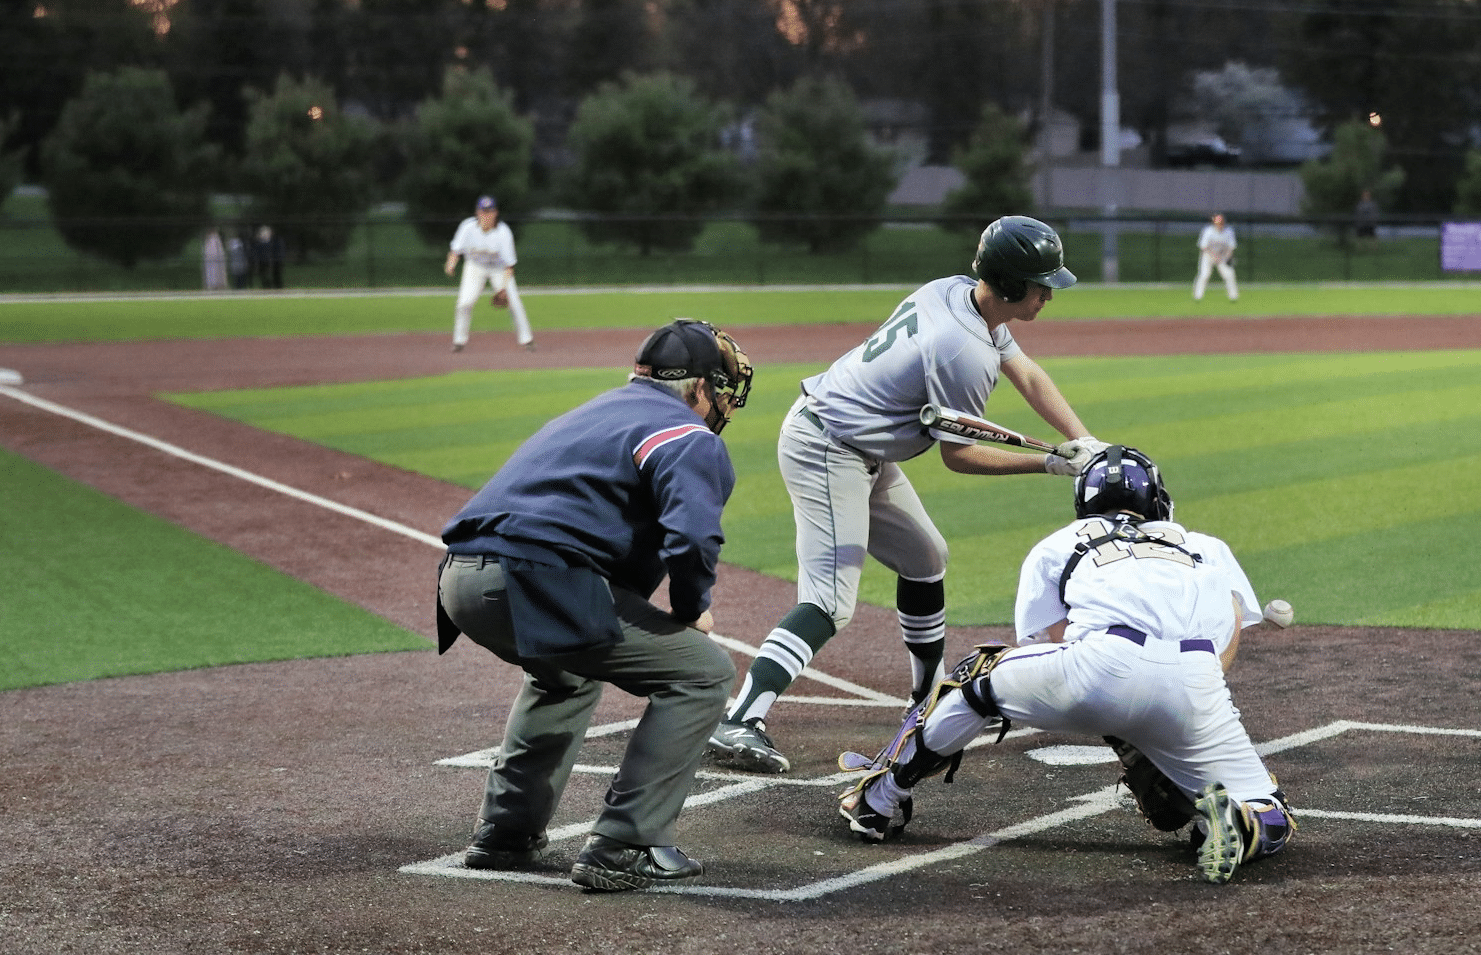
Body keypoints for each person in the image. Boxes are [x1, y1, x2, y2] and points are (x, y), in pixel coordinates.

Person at [704, 215, 1108, 775]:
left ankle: (927, 700)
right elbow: (958, 454)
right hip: (827, 445)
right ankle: (741, 719)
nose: (1047, 293)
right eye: (1040, 283)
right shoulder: (960, 350)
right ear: (1011, 284)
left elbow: (1029, 374)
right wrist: (1046, 463)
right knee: (829, 601)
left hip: (865, 446)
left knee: (925, 557)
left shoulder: (957, 293)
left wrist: (1083, 440)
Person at [837, 446, 1296, 885]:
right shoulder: (1207, 546)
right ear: (1158, 500)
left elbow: (1047, 644)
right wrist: (1162, 732)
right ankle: (1237, 821)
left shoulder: (1061, 542)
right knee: (1270, 807)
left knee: (978, 677)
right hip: (1198, 680)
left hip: (1099, 666)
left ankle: (878, 798)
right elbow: (1228, 631)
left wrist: (1117, 715)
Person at [434, 318, 754, 892]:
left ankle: (506, 833)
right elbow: (693, 541)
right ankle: (625, 843)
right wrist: (689, 607)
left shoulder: (595, 410)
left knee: (565, 675)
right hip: (534, 580)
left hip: (458, 580)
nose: (724, 400)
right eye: (719, 388)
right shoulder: (688, 435)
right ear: (700, 389)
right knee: (704, 673)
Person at [445, 195, 535, 352]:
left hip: (499, 269)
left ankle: (527, 340)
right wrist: (450, 264)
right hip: (475, 267)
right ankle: (459, 342)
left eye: (489, 211)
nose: (486, 215)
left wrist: (503, 289)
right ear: (477, 213)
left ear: (496, 213)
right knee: (464, 303)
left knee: (514, 302)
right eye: (483, 211)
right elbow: (455, 250)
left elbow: (509, 266)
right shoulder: (467, 228)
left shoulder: (503, 232)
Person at [1192, 213, 1239, 303]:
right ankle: (1197, 296)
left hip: (1222, 256)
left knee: (1229, 275)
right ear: (1214, 223)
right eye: (1218, 222)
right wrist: (1214, 256)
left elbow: (1231, 247)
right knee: (1204, 275)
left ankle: (1233, 297)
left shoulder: (1229, 231)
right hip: (1208, 255)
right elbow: (1203, 247)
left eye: (1221, 222)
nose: (1220, 224)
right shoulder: (1208, 231)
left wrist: (1229, 257)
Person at [252, 225, 284, 289]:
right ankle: (267, 285)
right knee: (263, 274)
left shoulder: (274, 241)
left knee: (274, 274)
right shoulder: (260, 243)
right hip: (263, 260)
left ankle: (276, 285)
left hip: (270, 260)